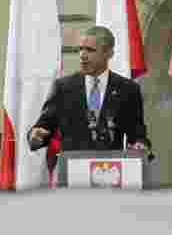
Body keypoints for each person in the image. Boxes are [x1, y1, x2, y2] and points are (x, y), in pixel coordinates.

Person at [28, 25, 151, 154]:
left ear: (108, 53)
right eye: (80, 49)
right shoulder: (63, 88)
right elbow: (43, 127)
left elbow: (137, 134)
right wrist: (35, 136)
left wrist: (140, 145)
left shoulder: (127, 89)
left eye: (90, 50)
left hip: (112, 170)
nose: (82, 55)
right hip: (73, 170)